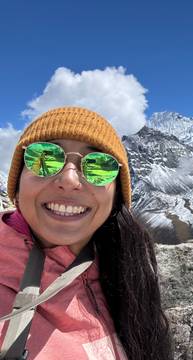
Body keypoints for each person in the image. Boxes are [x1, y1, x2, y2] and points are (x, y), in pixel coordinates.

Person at [0, 107, 172, 359]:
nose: (69, 179)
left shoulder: (128, 274)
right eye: (44, 158)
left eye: (99, 165)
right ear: (17, 184)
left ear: (116, 197)